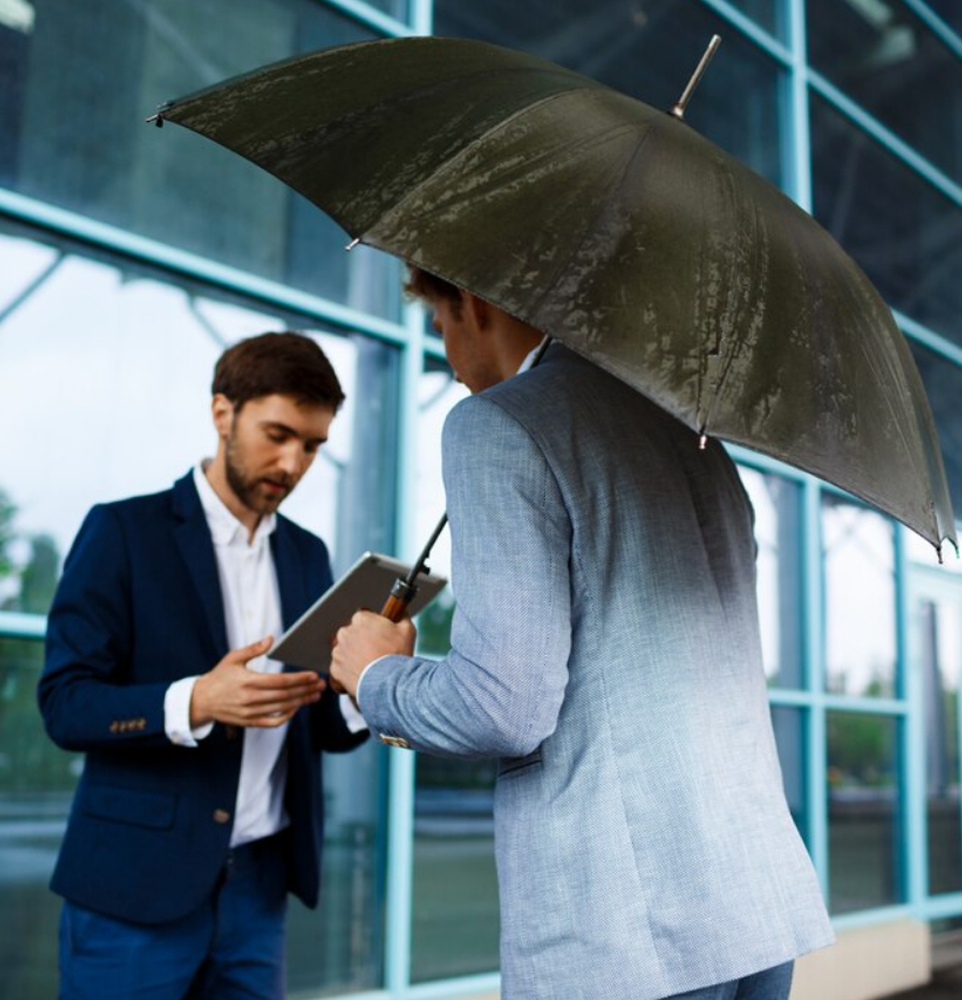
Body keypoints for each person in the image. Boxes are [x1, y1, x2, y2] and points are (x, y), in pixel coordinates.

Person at [330, 271, 834, 1000]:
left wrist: (378, 676)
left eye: (438, 324)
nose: (444, 354)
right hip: (753, 907)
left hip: (630, 930)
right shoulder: (695, 442)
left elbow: (504, 705)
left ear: (472, 303)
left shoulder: (497, 425)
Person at [39, 332, 368, 1000]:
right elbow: (65, 704)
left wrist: (366, 679)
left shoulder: (309, 556)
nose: (292, 461)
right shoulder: (124, 533)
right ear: (223, 413)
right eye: (278, 433)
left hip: (260, 885)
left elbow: (327, 729)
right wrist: (196, 701)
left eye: (311, 445)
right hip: (134, 887)